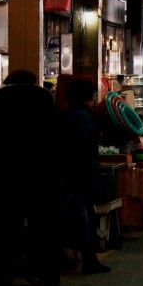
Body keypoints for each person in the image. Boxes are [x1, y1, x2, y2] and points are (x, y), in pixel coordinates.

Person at [0, 69, 65, 286]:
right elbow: (55, 135)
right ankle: (50, 281)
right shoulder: (45, 97)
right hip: (41, 175)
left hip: (9, 176)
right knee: (45, 231)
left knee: (5, 230)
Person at [61, 78, 111, 275]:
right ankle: (88, 259)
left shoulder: (66, 115)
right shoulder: (83, 118)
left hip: (68, 174)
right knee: (84, 217)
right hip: (79, 176)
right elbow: (83, 151)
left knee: (79, 215)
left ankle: (83, 257)